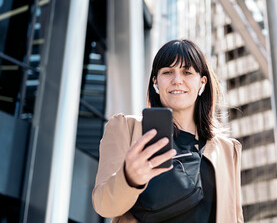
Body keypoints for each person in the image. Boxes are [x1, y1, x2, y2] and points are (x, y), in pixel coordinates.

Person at [92, 39, 244, 223]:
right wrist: (129, 178)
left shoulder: (227, 150)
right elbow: (104, 206)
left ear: (202, 82)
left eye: (187, 72)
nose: (177, 80)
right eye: (167, 72)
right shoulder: (125, 128)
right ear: (155, 81)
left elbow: (235, 218)